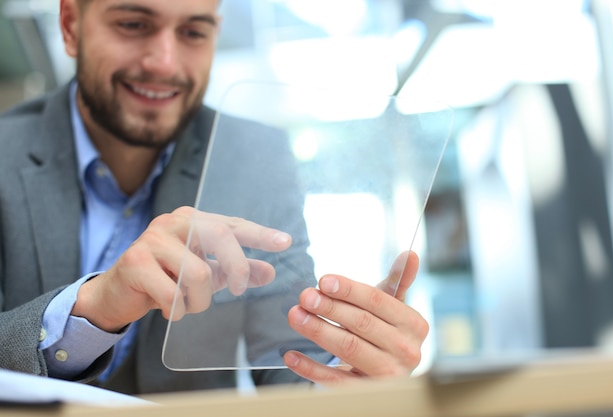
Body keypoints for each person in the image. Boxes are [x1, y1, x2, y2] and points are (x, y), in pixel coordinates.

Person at [0, 0, 429, 395]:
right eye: (133, 24)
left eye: (193, 33)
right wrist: (92, 310)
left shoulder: (253, 158)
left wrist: (350, 377)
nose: (164, 63)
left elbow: (289, 366)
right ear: (71, 24)